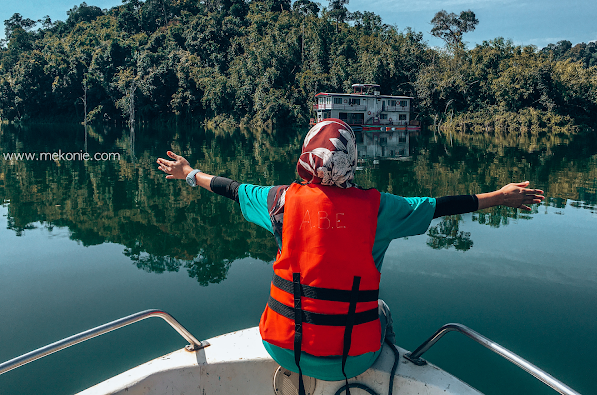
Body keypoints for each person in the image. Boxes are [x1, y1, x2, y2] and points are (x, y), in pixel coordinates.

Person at [157, 119, 544, 393]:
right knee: (382, 309)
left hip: (279, 345)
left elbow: (228, 187)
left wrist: (188, 172)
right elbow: (444, 205)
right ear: (352, 161)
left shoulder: (279, 201)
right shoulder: (381, 209)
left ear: (306, 158)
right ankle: (384, 378)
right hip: (353, 357)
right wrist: (501, 197)